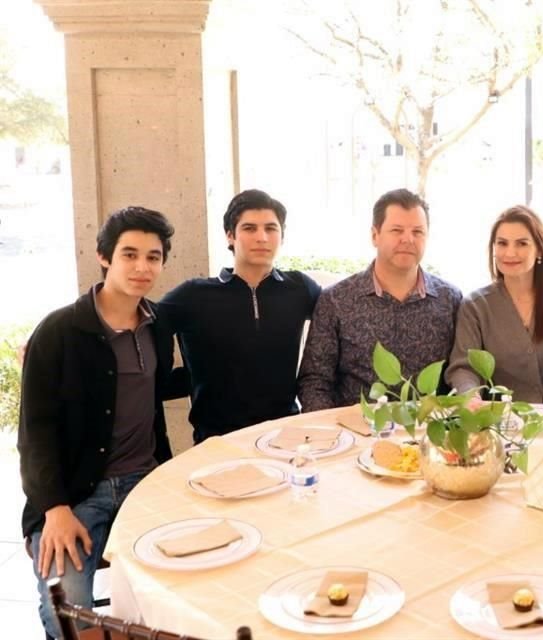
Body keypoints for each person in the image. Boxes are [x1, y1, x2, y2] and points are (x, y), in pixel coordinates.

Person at [18, 207, 176, 638]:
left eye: (153, 256)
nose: (142, 267)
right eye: (130, 254)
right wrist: (54, 510)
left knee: (184, 590)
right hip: (72, 496)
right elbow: (35, 435)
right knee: (68, 616)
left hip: (146, 483)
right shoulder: (58, 332)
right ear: (104, 256)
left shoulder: (158, 324)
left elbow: (156, 392)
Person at [159, 189, 321, 442]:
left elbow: (342, 317)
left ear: (282, 236)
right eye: (249, 228)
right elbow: (143, 326)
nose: (262, 237)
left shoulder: (299, 287)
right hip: (217, 441)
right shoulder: (194, 295)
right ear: (230, 236)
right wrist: (189, 377)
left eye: (271, 228)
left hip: (285, 436)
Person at [298, 188, 461, 410]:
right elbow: (315, 382)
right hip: (355, 434)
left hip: (429, 433)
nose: (408, 239)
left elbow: (459, 375)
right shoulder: (336, 300)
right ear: (375, 235)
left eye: (418, 231)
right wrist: (334, 435)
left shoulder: (449, 299)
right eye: (397, 230)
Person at [445, 205, 543, 407]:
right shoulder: (475, 306)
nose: (510, 252)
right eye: (502, 243)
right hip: (496, 423)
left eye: (522, 243)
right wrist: (472, 399)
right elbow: (463, 368)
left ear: (539, 249)